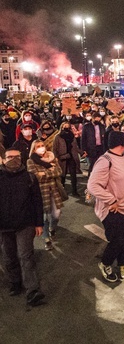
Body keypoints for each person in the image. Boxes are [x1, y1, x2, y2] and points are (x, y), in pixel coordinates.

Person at [88, 131, 124, 282]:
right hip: (115, 209)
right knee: (119, 240)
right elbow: (93, 185)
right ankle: (105, 263)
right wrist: (111, 200)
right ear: (121, 144)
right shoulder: (105, 161)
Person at [0, 143, 45, 306]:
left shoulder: (29, 177)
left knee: (26, 256)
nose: (13, 160)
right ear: (3, 160)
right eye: (10, 157)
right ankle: (15, 282)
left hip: (25, 224)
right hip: (4, 226)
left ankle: (32, 290)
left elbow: (37, 202)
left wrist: (39, 223)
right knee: (9, 256)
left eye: (17, 157)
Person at [26, 140, 65, 252]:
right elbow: (34, 177)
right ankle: (46, 238)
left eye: (42, 145)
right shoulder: (30, 161)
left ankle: (52, 228)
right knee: (44, 216)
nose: (41, 147)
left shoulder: (51, 157)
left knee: (56, 214)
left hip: (54, 190)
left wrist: (43, 174)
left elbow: (58, 172)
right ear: (34, 149)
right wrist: (49, 172)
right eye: (38, 146)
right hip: (40, 192)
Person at [53, 120, 81, 198]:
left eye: (67, 126)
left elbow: (75, 146)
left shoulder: (71, 135)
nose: (66, 127)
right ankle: (62, 191)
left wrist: (81, 152)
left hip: (71, 156)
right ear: (61, 127)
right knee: (63, 175)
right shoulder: (58, 136)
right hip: (62, 157)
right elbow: (54, 148)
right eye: (64, 126)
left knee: (73, 175)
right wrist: (56, 157)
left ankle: (74, 191)